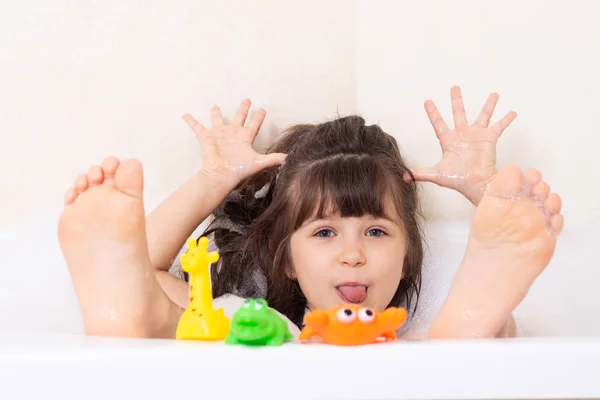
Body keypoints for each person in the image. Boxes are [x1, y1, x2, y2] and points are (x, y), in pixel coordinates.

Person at [57, 86, 563, 339]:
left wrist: (491, 197)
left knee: (484, 324)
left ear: (408, 253)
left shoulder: (423, 308)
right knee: (184, 309)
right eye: (324, 232)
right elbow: (143, 270)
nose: (353, 254)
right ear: (288, 260)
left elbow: (498, 304)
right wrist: (210, 182)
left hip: (417, 366)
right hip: (269, 357)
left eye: (376, 231)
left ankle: (468, 329)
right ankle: (127, 318)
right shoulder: (255, 316)